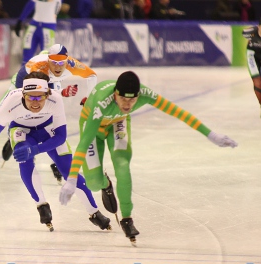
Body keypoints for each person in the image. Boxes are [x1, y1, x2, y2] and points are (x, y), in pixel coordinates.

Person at [59, 71, 237, 245]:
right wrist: (72, 178)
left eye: (132, 100)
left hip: (117, 124)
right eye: (123, 99)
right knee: (93, 183)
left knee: (122, 166)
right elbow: (84, 143)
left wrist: (211, 135)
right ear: (115, 95)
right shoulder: (101, 103)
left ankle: (127, 219)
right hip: (93, 128)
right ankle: (105, 184)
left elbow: (178, 112)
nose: (128, 105)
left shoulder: (145, 93)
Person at [0, 72, 112, 232]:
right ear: (23, 94)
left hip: (48, 129)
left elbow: (61, 137)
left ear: (47, 94)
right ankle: (41, 204)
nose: (35, 103)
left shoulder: (55, 99)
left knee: (70, 171)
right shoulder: (11, 101)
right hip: (22, 131)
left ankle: (94, 213)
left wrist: (35, 149)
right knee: (23, 157)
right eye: (30, 98)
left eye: (40, 98)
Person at [0, 44, 98, 183]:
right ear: (47, 60)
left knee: (48, 121)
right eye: (53, 62)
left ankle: (53, 160)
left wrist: (90, 99)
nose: (57, 67)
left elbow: (91, 75)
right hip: (22, 84)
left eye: (61, 62)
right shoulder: (39, 68)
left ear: (67, 61)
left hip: (43, 86)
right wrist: (62, 93)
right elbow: (38, 92)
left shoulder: (72, 65)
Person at [15, 0, 62, 64]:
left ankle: (44, 73)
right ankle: (24, 73)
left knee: (46, 57)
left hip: (48, 27)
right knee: (26, 57)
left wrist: (20, 20)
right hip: (34, 25)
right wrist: (20, 21)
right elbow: (31, 4)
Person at [243, 22, 261, 116]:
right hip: (252, 57)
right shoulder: (249, 32)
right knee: (257, 82)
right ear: (258, 27)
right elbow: (244, 33)